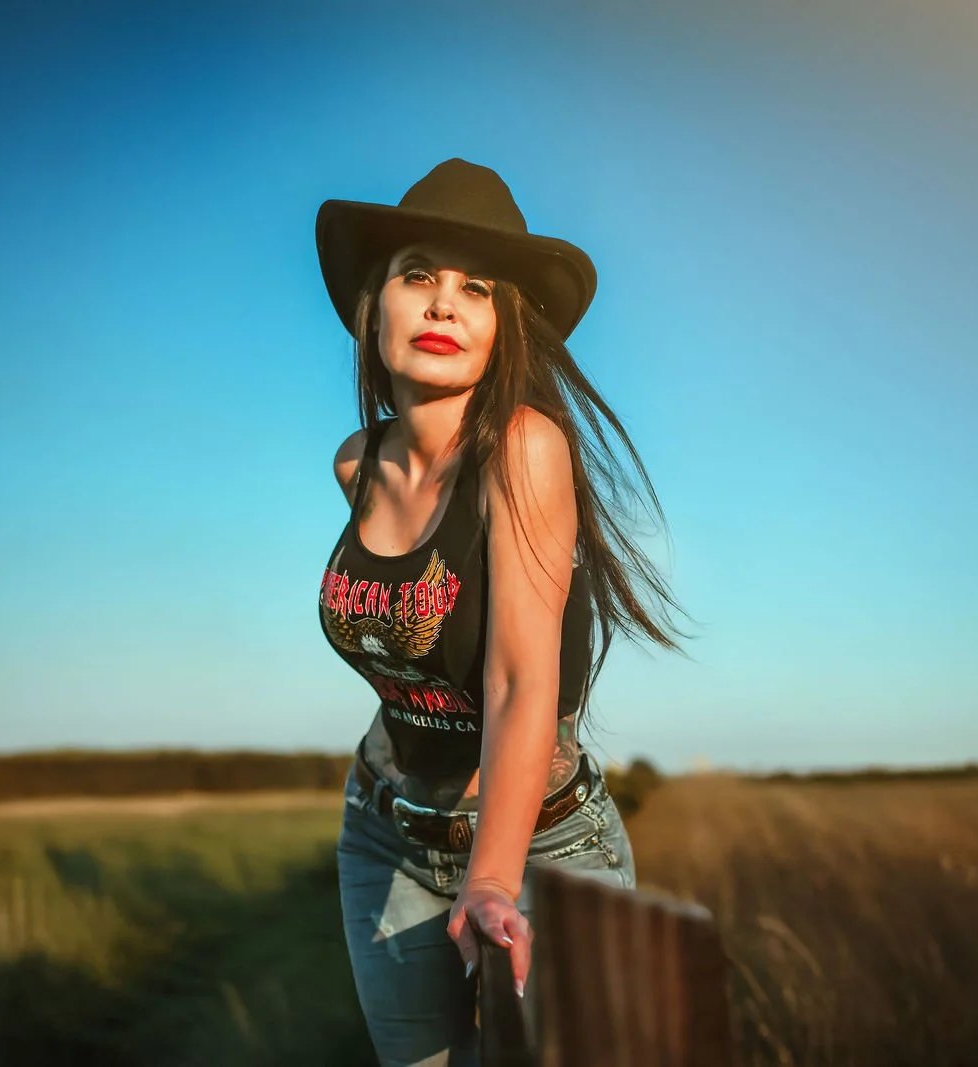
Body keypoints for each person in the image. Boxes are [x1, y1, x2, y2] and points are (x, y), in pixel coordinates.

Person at [317, 158, 683, 1066]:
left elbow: (521, 679)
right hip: (385, 834)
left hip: (543, 846)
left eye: (473, 289)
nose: (443, 305)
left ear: (501, 327)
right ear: (376, 306)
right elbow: (406, 653)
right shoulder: (355, 467)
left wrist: (489, 877)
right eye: (418, 276)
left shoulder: (524, 448)